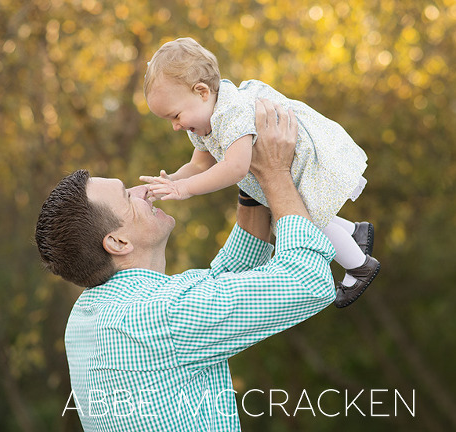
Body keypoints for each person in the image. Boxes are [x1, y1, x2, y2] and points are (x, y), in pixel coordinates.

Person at [35, 100, 336, 431]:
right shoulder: (162, 316)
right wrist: (276, 174)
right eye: (127, 196)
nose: (143, 192)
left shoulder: (86, 317)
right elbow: (309, 282)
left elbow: (223, 284)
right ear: (118, 243)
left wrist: (251, 182)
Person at [140, 37, 379, 308]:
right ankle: (355, 232)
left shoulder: (231, 114)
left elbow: (235, 167)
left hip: (301, 161)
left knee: (309, 221)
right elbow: (198, 166)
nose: (175, 126)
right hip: (287, 168)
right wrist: (171, 180)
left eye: (175, 116)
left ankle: (360, 267)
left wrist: (185, 189)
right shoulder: (204, 123)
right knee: (307, 214)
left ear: (202, 92)